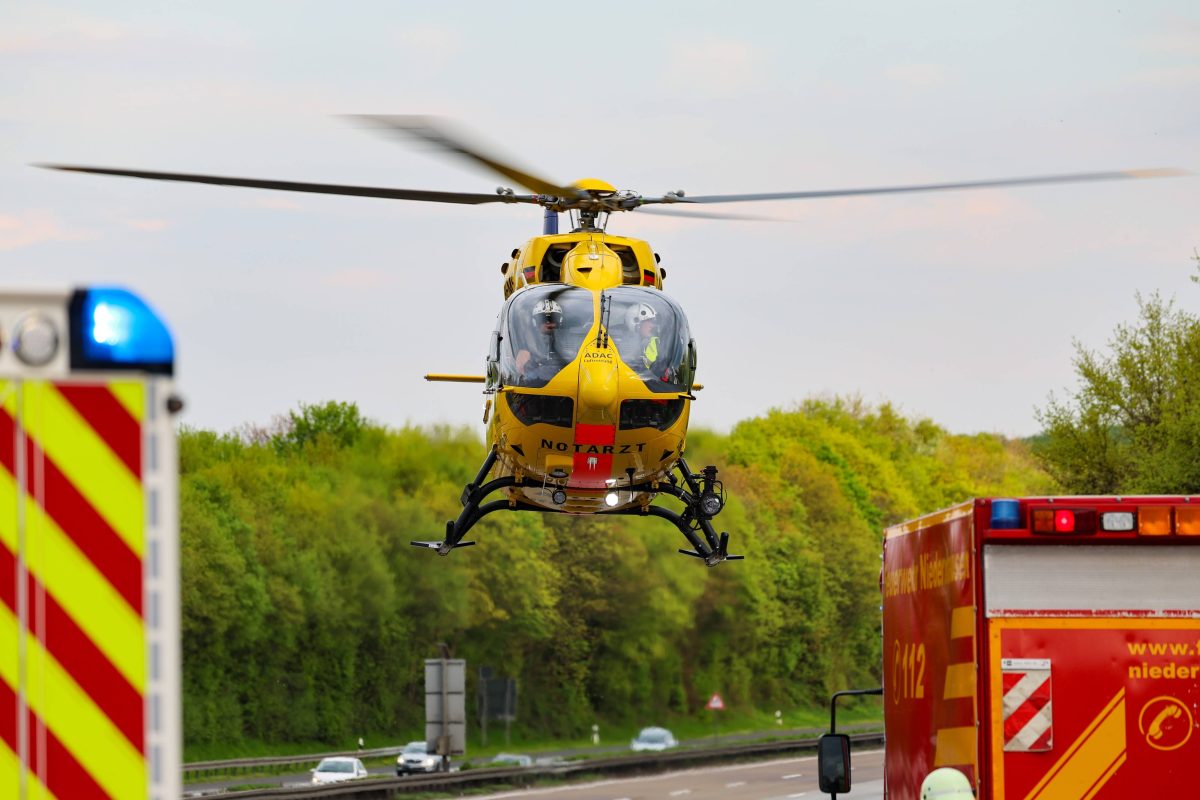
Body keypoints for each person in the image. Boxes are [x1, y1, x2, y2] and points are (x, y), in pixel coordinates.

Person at [515, 298, 566, 381]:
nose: (548, 323)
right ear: (536, 322)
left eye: (552, 318)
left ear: (559, 320)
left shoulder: (570, 340)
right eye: (543, 319)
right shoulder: (527, 344)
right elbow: (522, 372)